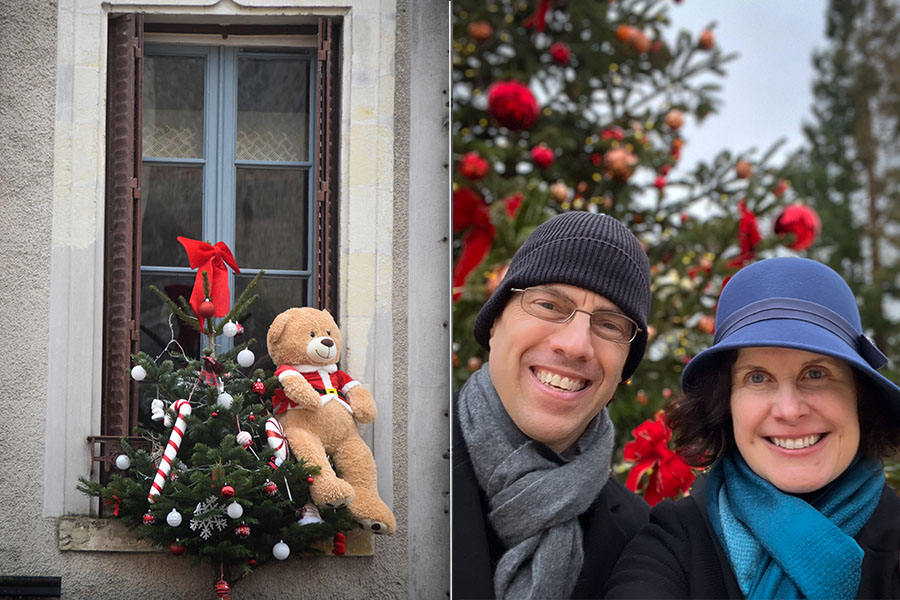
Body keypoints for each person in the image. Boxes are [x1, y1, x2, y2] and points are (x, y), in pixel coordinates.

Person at [605, 256, 900, 599]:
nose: (789, 410)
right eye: (757, 377)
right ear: (725, 403)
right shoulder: (673, 542)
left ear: (860, 398)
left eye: (816, 373)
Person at [452, 211, 653, 600]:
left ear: (623, 369)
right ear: (494, 323)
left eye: (610, 325)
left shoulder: (642, 536)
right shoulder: (392, 470)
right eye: (548, 305)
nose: (576, 345)